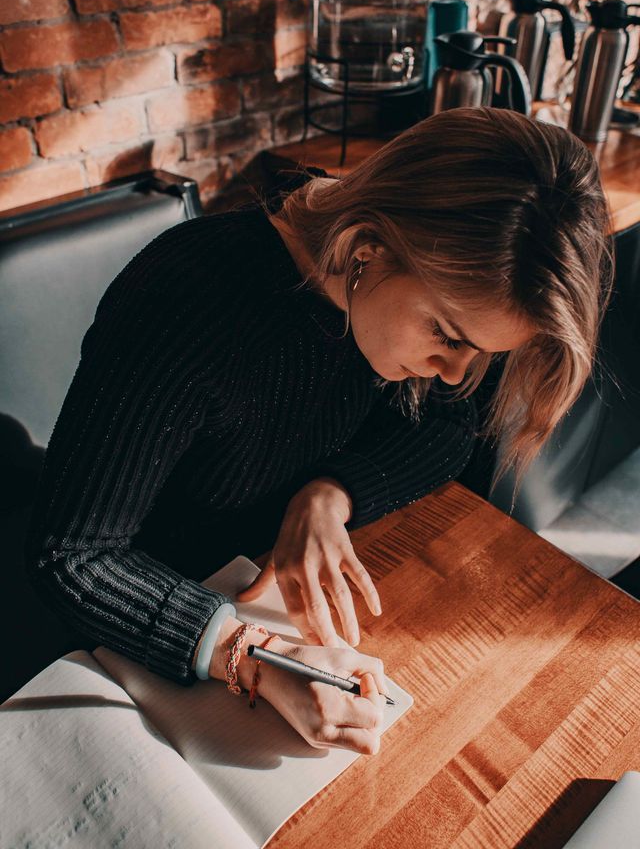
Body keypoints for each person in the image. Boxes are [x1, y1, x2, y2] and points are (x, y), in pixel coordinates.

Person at [25, 107, 613, 757]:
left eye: (480, 354)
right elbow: (72, 556)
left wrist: (329, 494)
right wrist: (249, 654)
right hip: (135, 616)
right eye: (447, 336)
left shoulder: (387, 296)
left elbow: (450, 424)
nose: (452, 375)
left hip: (254, 590)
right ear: (366, 249)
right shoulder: (187, 304)